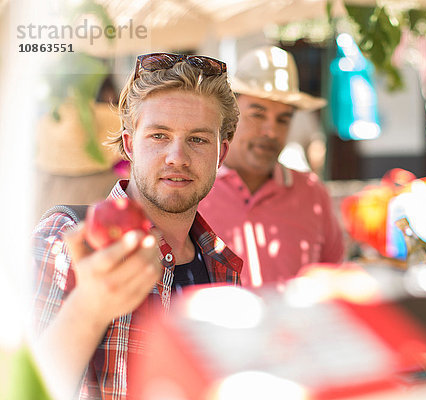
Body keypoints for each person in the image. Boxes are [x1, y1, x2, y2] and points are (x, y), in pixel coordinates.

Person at [30, 53, 242, 399]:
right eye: (159, 136)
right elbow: (19, 387)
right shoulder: (68, 238)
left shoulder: (223, 267)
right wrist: (89, 308)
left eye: (198, 139)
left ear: (221, 153)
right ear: (130, 145)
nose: (177, 156)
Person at [197, 46, 344, 287]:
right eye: (258, 114)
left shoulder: (312, 194)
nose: (271, 131)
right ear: (229, 115)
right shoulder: (194, 190)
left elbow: (335, 280)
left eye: (283, 120)